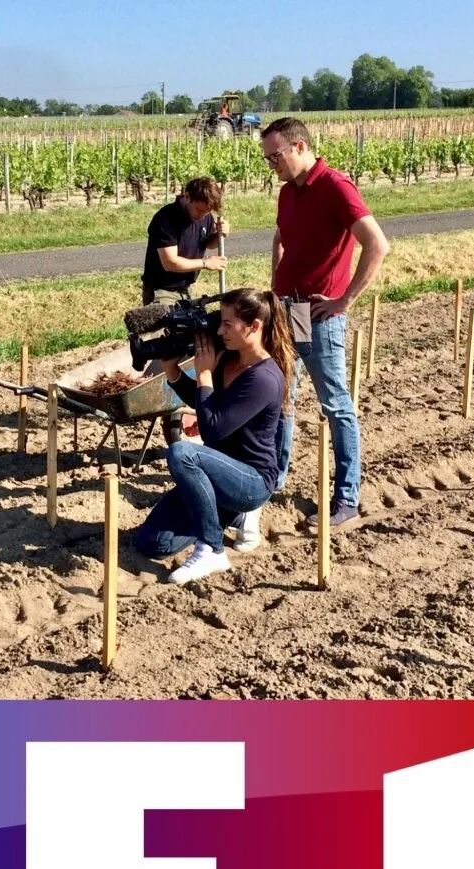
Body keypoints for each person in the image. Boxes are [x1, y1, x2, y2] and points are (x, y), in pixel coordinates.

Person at [261, 117, 389, 529]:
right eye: (266, 158)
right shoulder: (287, 193)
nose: (271, 164)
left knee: (335, 404)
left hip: (319, 316)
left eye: (275, 155)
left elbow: (377, 243)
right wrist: (275, 286)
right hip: (287, 311)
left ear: (299, 147)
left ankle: (347, 496)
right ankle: (274, 479)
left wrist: (344, 299)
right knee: (282, 398)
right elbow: (281, 238)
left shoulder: (336, 187)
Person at [135, 288, 294, 585]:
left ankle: (211, 548)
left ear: (254, 327)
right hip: (217, 473)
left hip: (251, 480)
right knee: (152, 544)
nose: (219, 331)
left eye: (227, 324)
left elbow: (212, 428)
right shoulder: (228, 358)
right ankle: (231, 517)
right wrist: (172, 370)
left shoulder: (263, 378)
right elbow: (203, 404)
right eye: (219, 322)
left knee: (182, 453)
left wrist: (204, 374)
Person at [141, 176, 229, 307]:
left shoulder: (205, 216)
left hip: (186, 289)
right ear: (187, 196)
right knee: (168, 326)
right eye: (199, 210)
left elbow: (208, 244)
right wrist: (205, 263)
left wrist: (220, 234)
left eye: (207, 212)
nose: (202, 216)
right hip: (162, 291)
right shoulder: (166, 219)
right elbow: (170, 263)